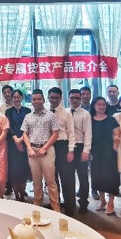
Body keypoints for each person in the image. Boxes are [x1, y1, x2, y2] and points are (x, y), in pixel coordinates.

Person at [21, 89, 60, 212]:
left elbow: (55, 134)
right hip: (32, 151)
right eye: (34, 99)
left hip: (47, 151)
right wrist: (29, 148)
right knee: (36, 181)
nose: (37, 101)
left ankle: (55, 207)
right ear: (31, 101)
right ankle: (37, 203)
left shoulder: (51, 115)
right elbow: (25, 134)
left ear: (43, 100)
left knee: (50, 181)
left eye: (39, 99)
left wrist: (44, 148)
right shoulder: (28, 116)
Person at [47, 87, 76, 216]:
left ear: (60, 98)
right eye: (51, 97)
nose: (54, 100)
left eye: (56, 98)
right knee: (51, 178)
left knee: (67, 177)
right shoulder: (44, 111)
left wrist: (70, 150)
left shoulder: (66, 113)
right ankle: (55, 203)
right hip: (49, 146)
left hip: (62, 146)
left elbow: (71, 133)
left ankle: (70, 206)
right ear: (48, 97)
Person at [90, 97, 121, 215]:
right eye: (99, 104)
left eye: (103, 104)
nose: (101, 107)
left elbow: (117, 135)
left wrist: (114, 148)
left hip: (109, 152)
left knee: (111, 177)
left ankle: (111, 203)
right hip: (95, 152)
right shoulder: (90, 120)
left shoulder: (111, 119)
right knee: (97, 177)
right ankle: (102, 201)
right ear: (94, 106)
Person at [68, 89, 92, 214]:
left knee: (82, 177)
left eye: (77, 98)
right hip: (67, 148)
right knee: (68, 177)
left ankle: (83, 202)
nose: (75, 100)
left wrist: (86, 150)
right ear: (68, 98)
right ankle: (70, 202)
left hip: (80, 147)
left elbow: (88, 133)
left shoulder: (85, 114)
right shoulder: (65, 112)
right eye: (72, 98)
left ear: (81, 98)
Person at [5, 90, 31, 202]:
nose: (16, 99)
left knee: (24, 169)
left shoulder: (27, 110)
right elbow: (8, 126)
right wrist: (16, 139)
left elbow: (29, 126)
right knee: (14, 170)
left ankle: (22, 194)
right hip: (12, 143)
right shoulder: (8, 111)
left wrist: (21, 140)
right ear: (12, 98)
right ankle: (16, 195)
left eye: (18, 97)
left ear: (22, 97)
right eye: (14, 97)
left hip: (25, 142)